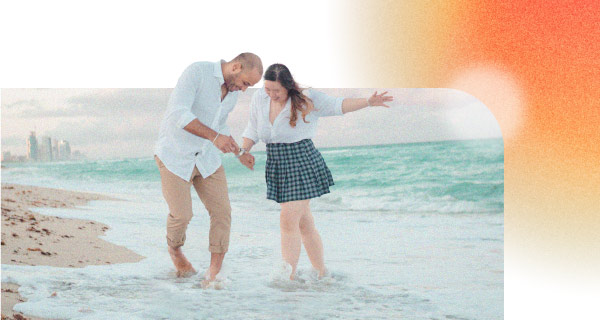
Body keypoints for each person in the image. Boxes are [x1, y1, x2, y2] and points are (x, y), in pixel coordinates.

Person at [238, 63, 393, 279]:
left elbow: (339, 105)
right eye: (268, 89)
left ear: (289, 86)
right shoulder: (260, 99)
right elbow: (253, 129)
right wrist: (243, 150)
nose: (272, 95)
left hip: (302, 160)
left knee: (288, 220)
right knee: (304, 222)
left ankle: (287, 278)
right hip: (277, 162)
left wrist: (368, 102)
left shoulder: (307, 98)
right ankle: (321, 273)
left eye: (277, 91)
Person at [154, 53, 263, 284]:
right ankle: (175, 251)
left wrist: (239, 153)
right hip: (175, 155)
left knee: (222, 213)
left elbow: (219, 125)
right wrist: (215, 137)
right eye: (245, 83)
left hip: (207, 159)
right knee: (182, 215)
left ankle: (212, 275)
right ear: (236, 67)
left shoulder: (231, 95)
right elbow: (178, 114)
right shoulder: (197, 72)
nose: (244, 90)